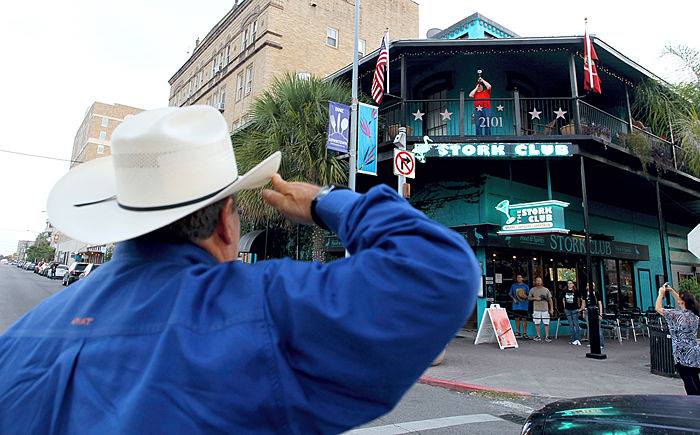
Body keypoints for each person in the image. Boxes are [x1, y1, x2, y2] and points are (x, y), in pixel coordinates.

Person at [0, 106, 480, 433]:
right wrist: (325, 202)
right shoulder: (258, 308)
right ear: (227, 226)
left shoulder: (18, 341)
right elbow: (438, 270)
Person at [656, 284, 700, 395]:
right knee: (694, 377)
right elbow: (683, 303)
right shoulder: (694, 315)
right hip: (694, 352)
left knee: (687, 380)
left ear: (682, 302)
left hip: (681, 353)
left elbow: (658, 308)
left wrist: (661, 294)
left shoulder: (676, 315)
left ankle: (693, 401)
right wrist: (671, 291)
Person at [528, 277, 553, 342]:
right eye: (537, 281)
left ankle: (547, 336)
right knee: (537, 323)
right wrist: (535, 298)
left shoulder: (546, 290)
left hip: (545, 309)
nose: (539, 282)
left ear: (542, 282)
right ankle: (538, 336)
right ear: (535, 282)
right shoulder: (532, 290)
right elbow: (529, 298)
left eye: (540, 281)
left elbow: (550, 299)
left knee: (546, 323)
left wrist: (551, 309)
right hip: (536, 309)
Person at [562, 281, 584, 346]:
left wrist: (581, 308)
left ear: (573, 284)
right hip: (567, 309)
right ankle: (573, 340)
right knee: (571, 325)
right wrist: (564, 307)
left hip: (575, 309)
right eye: (568, 283)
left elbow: (582, 299)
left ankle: (578, 339)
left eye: (571, 283)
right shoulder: (564, 291)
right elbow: (563, 299)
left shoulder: (576, 291)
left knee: (576, 324)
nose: (569, 284)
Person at [509, 274, 530, 338]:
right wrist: (514, 299)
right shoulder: (513, 286)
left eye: (520, 277)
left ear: (522, 278)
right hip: (516, 305)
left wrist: (525, 296)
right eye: (517, 277)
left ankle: (524, 333)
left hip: (524, 306)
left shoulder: (526, 286)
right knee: (516, 318)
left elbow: (529, 295)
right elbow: (510, 294)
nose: (519, 278)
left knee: (524, 319)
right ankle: (518, 332)